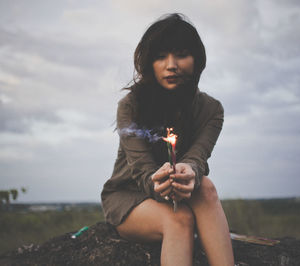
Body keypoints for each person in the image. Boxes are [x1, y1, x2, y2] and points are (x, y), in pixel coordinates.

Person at [101, 13, 234, 266]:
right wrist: (157, 181)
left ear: (196, 60)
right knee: (180, 219)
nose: (171, 65)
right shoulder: (131, 106)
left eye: (181, 54)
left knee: (205, 187)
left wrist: (190, 172)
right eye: (161, 56)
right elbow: (142, 172)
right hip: (131, 197)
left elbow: (198, 157)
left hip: (182, 193)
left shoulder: (211, 110)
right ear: (149, 63)